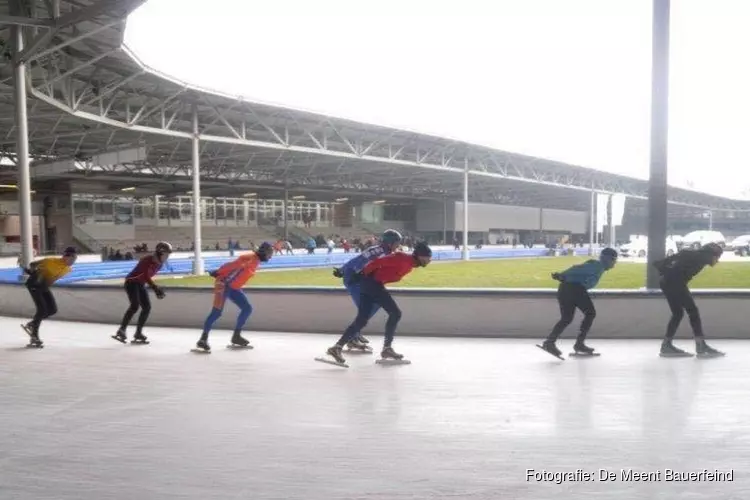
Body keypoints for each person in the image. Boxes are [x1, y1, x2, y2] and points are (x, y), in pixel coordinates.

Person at [323, 241, 432, 365]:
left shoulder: (410, 264)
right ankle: (387, 349)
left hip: (370, 284)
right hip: (372, 284)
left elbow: (386, 273)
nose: (430, 260)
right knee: (395, 313)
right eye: (428, 257)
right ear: (420, 256)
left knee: (362, 319)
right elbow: (378, 262)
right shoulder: (401, 258)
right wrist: (363, 274)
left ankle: (337, 347)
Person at [194, 242, 274, 352]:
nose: (271, 256)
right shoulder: (250, 258)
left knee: (247, 309)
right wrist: (218, 272)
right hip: (224, 284)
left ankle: (236, 336)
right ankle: (203, 339)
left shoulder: (256, 261)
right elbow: (232, 265)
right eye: (270, 253)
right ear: (264, 252)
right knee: (216, 312)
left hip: (233, 288)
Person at [538, 248, 618, 358]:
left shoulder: (598, 266)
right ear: (608, 259)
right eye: (614, 260)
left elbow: (578, 270)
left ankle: (550, 342)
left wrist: (562, 276)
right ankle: (579, 344)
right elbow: (577, 269)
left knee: (566, 318)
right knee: (590, 313)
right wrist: (562, 275)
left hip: (565, 289)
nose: (615, 263)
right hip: (575, 289)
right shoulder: (597, 266)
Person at [332, 229, 403, 350]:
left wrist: (342, 269)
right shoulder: (383, 253)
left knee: (371, 306)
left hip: (355, 277)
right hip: (356, 280)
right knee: (368, 308)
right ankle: (352, 337)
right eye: (397, 243)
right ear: (390, 243)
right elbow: (364, 263)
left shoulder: (375, 249)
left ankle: (354, 334)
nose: (398, 245)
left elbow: (357, 259)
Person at [654, 242, 724, 357]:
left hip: (666, 281)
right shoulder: (699, 259)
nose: (717, 260)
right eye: (717, 256)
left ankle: (666, 345)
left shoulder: (694, 255)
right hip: (675, 283)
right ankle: (700, 345)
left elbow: (668, 262)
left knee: (678, 313)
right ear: (710, 254)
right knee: (693, 312)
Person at [113, 241, 173, 344]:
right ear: (160, 253)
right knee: (135, 306)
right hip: (131, 282)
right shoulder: (147, 260)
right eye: (166, 254)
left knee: (147, 307)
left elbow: (146, 278)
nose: (168, 257)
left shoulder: (160, 264)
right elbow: (145, 275)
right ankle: (121, 330)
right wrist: (155, 288)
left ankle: (138, 333)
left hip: (140, 284)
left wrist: (155, 288)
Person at [20, 246, 78, 347]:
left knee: (52, 310)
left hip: (44, 287)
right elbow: (32, 264)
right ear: (65, 256)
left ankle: (32, 324)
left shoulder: (68, 269)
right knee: (42, 310)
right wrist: (32, 272)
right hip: (34, 285)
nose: (73, 261)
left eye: (75, 259)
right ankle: (34, 335)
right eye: (72, 258)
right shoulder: (49, 261)